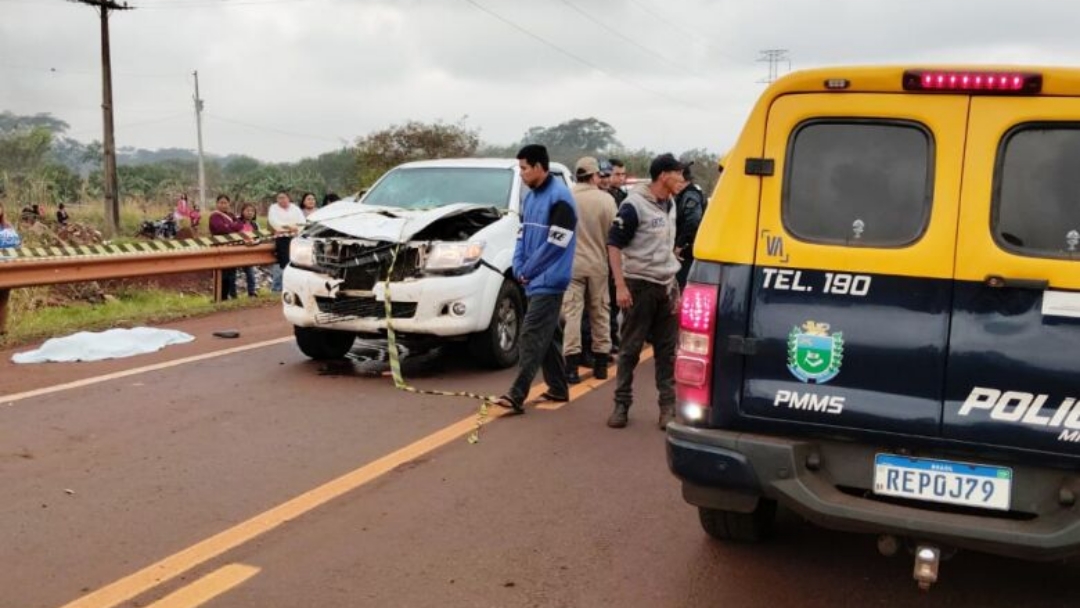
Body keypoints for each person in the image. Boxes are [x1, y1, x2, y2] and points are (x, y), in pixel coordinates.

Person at [492, 144, 577, 414]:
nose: (522, 173)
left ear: (540, 167)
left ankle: (516, 395)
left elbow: (556, 245)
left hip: (550, 280)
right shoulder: (529, 198)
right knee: (548, 334)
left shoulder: (561, 198)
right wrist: (518, 265)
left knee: (530, 334)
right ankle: (559, 388)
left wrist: (528, 269)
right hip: (532, 278)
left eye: (524, 168)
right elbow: (521, 236)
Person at [605, 153, 685, 430]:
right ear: (664, 175)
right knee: (630, 349)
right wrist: (620, 285)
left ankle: (667, 408)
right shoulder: (634, 205)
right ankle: (621, 405)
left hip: (666, 285)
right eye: (678, 174)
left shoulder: (670, 204)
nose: (682, 179)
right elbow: (614, 244)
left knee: (667, 351)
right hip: (638, 285)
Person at [562, 157, 616, 384]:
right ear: (594, 176)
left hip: (571, 265)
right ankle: (601, 364)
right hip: (598, 264)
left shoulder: (567, 197)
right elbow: (614, 235)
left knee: (572, 314)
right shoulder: (606, 200)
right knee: (600, 312)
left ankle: (571, 369)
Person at [674, 162, 706, 289]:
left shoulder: (690, 194)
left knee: (682, 286)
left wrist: (680, 245)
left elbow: (693, 220)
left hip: (686, 252)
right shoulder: (685, 194)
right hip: (686, 250)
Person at [209, 194, 247, 300]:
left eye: (225, 203)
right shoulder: (214, 216)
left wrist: (230, 227)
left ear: (229, 204)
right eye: (221, 203)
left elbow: (240, 225)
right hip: (220, 249)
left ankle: (230, 296)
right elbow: (221, 229)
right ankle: (221, 297)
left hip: (232, 248)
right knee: (222, 274)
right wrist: (232, 227)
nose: (223, 205)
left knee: (231, 273)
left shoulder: (231, 215)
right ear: (217, 204)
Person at [267, 190, 306, 293]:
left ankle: (296, 288)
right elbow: (274, 221)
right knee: (284, 263)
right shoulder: (273, 208)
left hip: (295, 237)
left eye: (284, 197)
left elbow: (302, 222)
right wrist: (288, 228)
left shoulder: (295, 208)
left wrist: (295, 228)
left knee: (297, 262)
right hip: (281, 238)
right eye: (279, 198)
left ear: (288, 198)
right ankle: (282, 288)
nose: (282, 200)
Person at [238, 202, 261, 297]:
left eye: (252, 211)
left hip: (249, 253)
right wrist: (243, 242)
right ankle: (233, 295)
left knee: (250, 273)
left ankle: (251, 293)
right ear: (242, 211)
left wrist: (253, 242)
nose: (250, 213)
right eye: (247, 210)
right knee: (233, 275)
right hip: (237, 252)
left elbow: (259, 238)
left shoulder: (255, 225)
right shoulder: (237, 223)